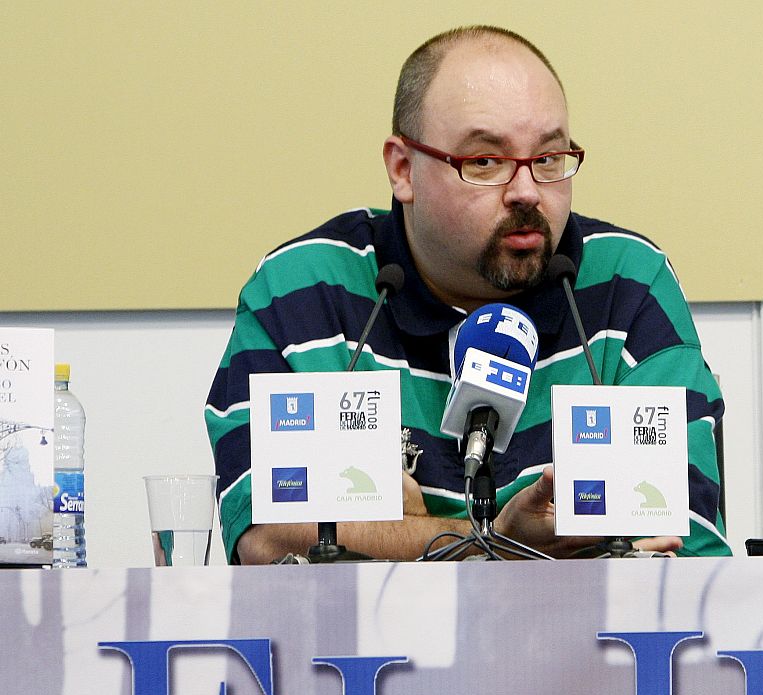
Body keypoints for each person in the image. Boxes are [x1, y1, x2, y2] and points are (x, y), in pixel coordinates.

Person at [204, 25, 730, 563]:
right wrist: (500, 546)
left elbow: (681, 537)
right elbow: (264, 536)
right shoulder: (303, 290)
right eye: (485, 162)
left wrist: (402, 534)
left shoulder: (627, 283)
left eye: (548, 159)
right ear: (402, 169)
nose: (526, 191)